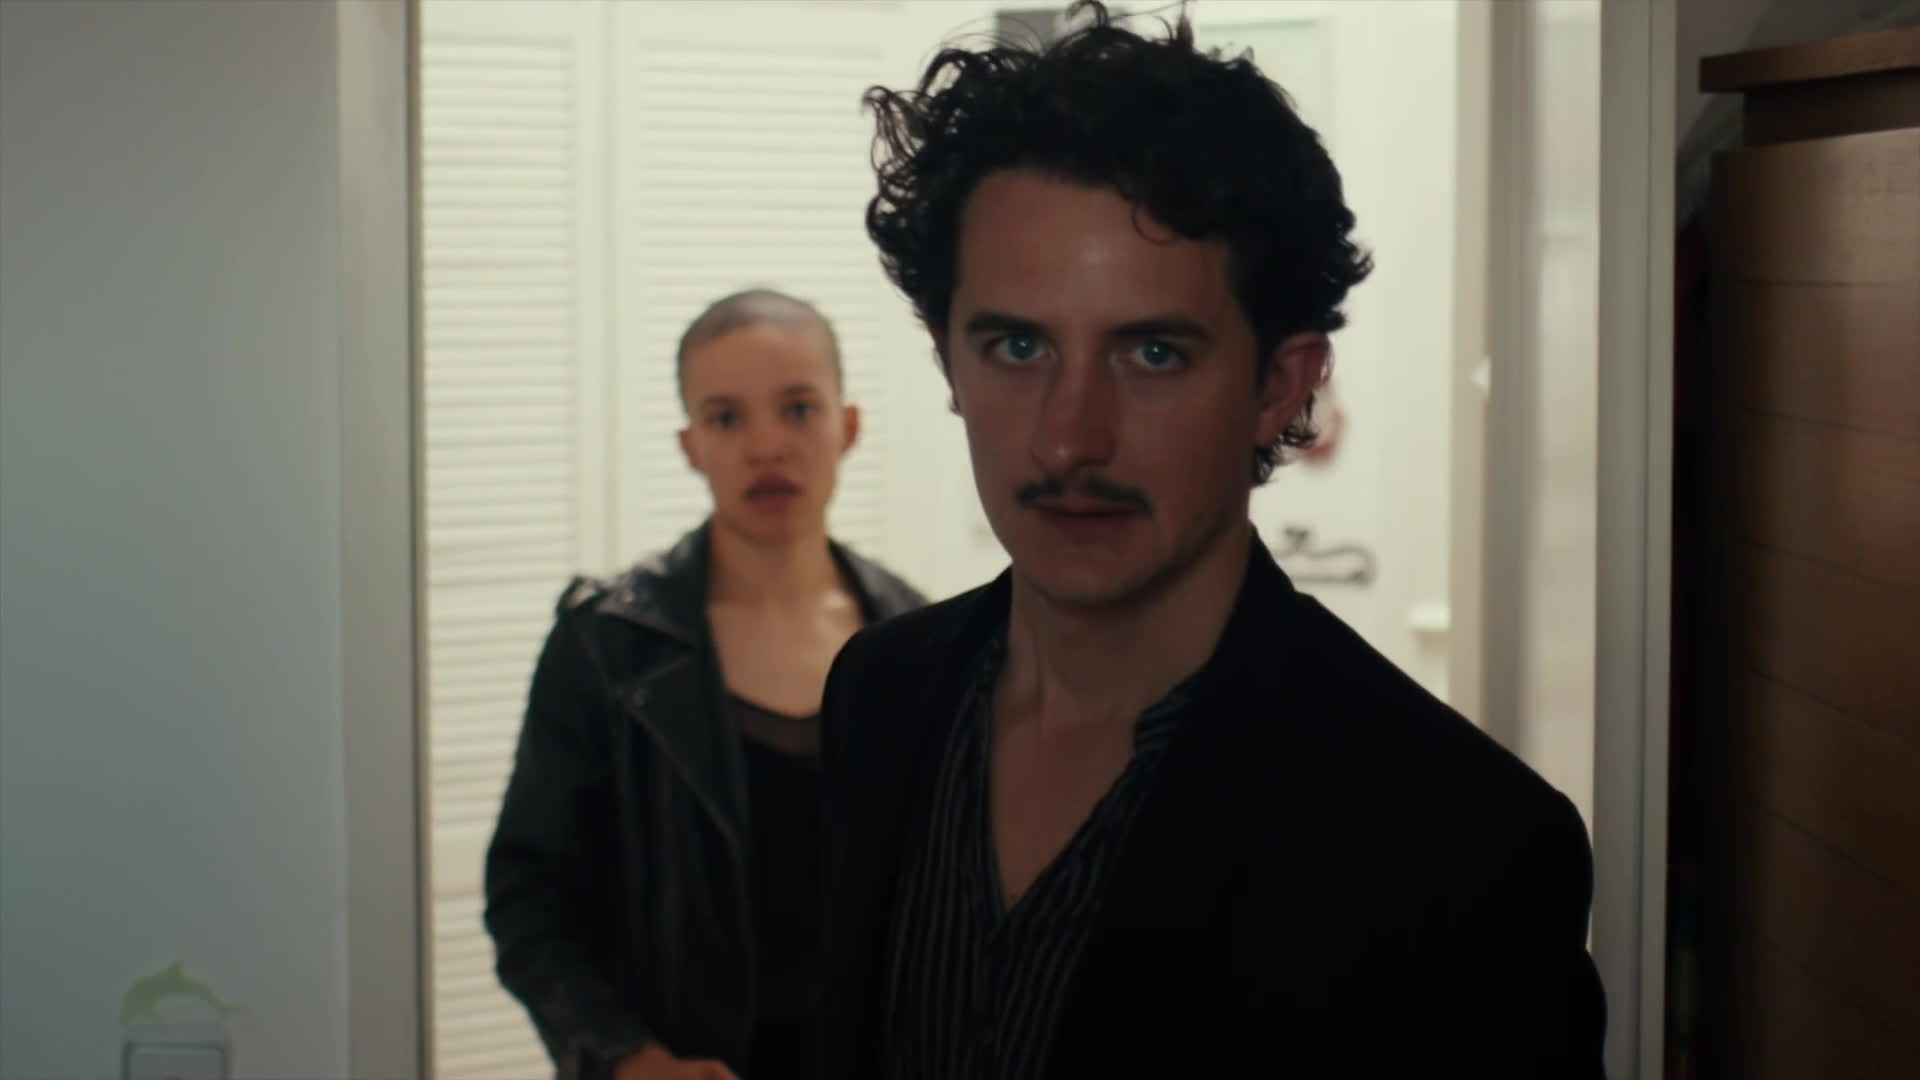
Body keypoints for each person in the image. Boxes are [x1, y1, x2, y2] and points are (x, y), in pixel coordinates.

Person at [817, 5, 1607, 1078]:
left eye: (1152, 353)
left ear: (1280, 386)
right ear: (948, 359)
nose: (1069, 437)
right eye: (1017, 346)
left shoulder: (1460, 845)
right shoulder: (879, 695)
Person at [485, 289, 926, 1080]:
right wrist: (628, 1058)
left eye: (798, 409)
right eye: (726, 419)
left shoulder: (916, 640)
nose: (766, 446)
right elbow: (530, 896)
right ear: (691, 446)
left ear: (848, 426)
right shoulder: (610, 644)